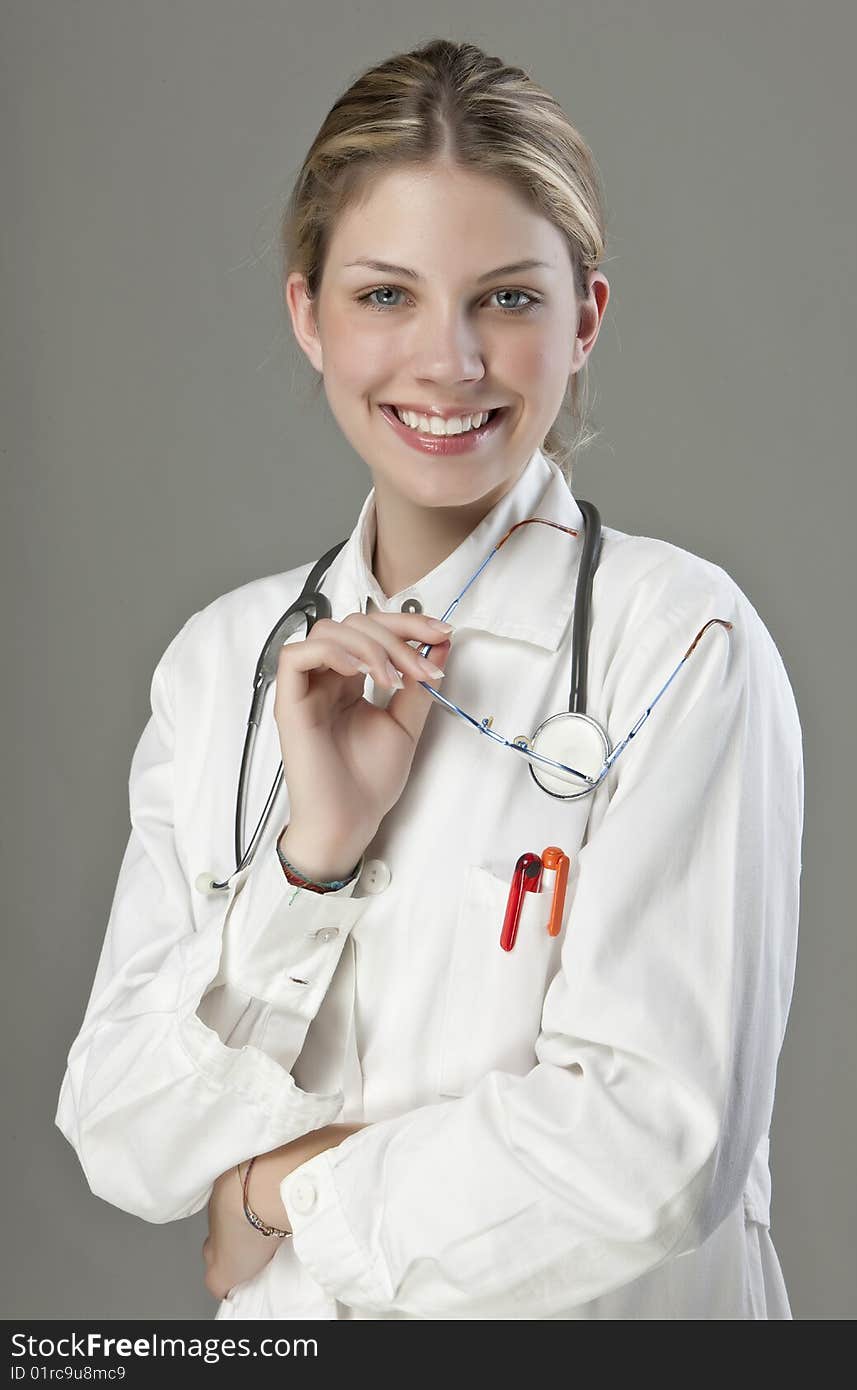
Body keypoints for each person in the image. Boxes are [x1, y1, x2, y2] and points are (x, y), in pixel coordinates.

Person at [54, 37, 804, 1320]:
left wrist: (277, 1196)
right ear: (308, 315)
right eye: (384, 296)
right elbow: (122, 1136)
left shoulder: (678, 643)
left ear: (586, 319)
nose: (448, 362)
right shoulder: (223, 662)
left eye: (507, 298)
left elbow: (652, 1156)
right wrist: (312, 864)